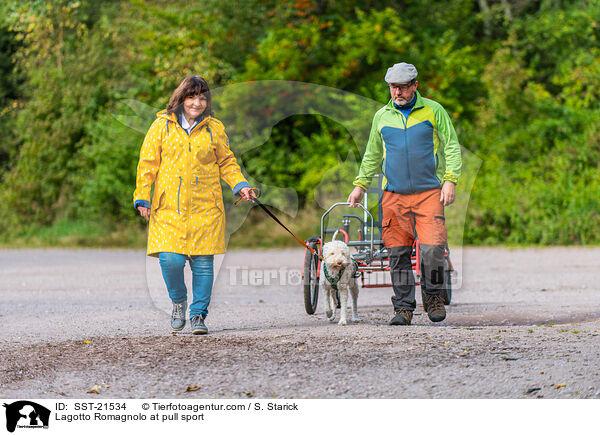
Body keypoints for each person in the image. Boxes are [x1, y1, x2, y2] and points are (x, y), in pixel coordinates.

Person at [133, 75, 252, 335]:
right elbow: (147, 164)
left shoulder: (214, 128)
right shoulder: (161, 126)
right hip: (168, 208)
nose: (196, 103)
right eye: (191, 97)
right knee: (170, 260)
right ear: (181, 98)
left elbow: (227, 162)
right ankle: (178, 302)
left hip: (205, 207)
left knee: (202, 265)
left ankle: (198, 315)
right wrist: (142, 196)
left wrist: (240, 185)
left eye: (201, 98)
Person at [347, 62, 462, 326]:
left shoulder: (434, 111)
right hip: (394, 196)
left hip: (429, 194)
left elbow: (451, 146)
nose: (397, 93)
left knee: (433, 249)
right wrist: (360, 185)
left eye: (402, 87)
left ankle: (433, 298)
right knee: (397, 253)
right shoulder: (382, 116)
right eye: (393, 88)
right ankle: (403, 309)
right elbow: (372, 154)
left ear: (414, 86)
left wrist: (450, 180)